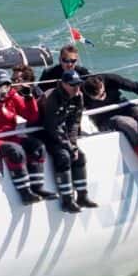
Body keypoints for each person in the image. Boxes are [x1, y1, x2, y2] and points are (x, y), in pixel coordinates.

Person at [0, 69, 54, 204]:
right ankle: (25, 193)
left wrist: (29, 98)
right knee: (16, 151)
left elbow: (32, 116)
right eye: (0, 84)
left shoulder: (12, 95)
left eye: (7, 84)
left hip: (9, 136)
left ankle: (37, 187)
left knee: (37, 146)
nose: (4, 88)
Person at [43, 69, 98, 213]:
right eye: (72, 84)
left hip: (62, 133)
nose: (76, 87)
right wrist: (68, 146)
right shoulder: (52, 98)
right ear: (63, 84)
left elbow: (74, 123)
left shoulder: (78, 96)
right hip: (44, 133)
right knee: (63, 156)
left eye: (78, 84)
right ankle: (67, 201)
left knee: (80, 156)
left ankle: (82, 197)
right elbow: (51, 126)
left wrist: (73, 144)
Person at [11, 63, 52, 196]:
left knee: (37, 147)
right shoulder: (12, 94)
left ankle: (36, 186)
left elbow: (36, 116)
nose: (13, 83)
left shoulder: (35, 92)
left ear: (27, 81)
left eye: (17, 80)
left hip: (38, 129)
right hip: (26, 130)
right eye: (12, 79)